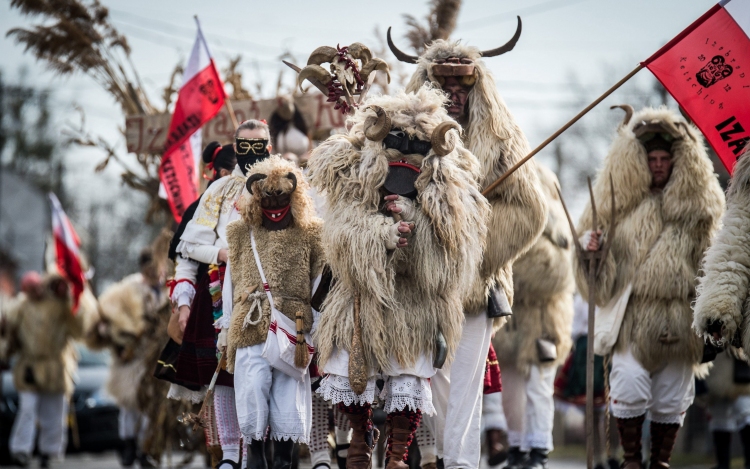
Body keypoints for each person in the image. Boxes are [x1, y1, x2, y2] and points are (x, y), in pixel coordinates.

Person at [308, 86, 490, 469]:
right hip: (360, 300)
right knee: (349, 368)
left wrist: (415, 223)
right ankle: (359, 440)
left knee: (408, 372)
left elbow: (453, 256)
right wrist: (383, 235)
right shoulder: (357, 177)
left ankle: (397, 455)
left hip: (416, 303)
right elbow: (342, 232)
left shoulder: (450, 189)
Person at [393, 23, 547, 469]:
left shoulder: (502, 138)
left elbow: (528, 210)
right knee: (419, 387)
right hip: (414, 284)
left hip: (476, 287)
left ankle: (458, 465)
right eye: (444, 82)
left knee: (461, 389)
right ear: (427, 83)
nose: (454, 92)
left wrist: (468, 255)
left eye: (463, 82)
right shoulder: (402, 132)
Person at [578, 106, 724, 469]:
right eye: (651, 157)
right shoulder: (617, 208)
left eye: (664, 158)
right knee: (627, 384)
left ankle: (659, 461)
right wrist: (593, 254)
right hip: (633, 318)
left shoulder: (702, 212)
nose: (658, 164)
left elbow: (715, 261)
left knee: (672, 399)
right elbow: (600, 282)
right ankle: (631, 460)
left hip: (682, 321)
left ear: (678, 160)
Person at [171, 121, 272, 469]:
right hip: (225, 291)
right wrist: (220, 253)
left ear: (270, 148)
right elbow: (188, 245)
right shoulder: (220, 191)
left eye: (259, 146)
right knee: (227, 372)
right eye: (244, 146)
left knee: (269, 373)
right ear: (235, 146)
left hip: (273, 294)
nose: (252, 153)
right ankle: (230, 454)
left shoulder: (289, 181)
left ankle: (259, 451)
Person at [220, 155, 324, 469]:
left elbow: (319, 283)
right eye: (267, 196)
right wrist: (226, 327)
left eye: (282, 196)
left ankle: (283, 459)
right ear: (256, 198)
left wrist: (316, 327)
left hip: (295, 327)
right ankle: (254, 454)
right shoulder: (239, 234)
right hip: (250, 324)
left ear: (295, 196)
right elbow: (230, 282)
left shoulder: (311, 234)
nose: (275, 203)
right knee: (251, 391)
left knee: (288, 400)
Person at [489, 164, 574, 469]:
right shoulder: (507, 223)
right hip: (511, 323)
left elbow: (555, 276)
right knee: (510, 391)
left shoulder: (559, 231)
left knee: (539, 388)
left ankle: (539, 449)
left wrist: (514, 269)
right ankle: (517, 447)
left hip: (544, 323)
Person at [693, 146, 750, 469]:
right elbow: (733, 250)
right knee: (729, 406)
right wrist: (720, 307)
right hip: (737, 329)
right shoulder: (747, 182)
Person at [88, 247, 168, 467]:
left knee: (150, 407)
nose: (154, 271)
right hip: (132, 356)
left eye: (157, 267)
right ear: (143, 268)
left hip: (155, 357)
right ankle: (128, 444)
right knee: (130, 403)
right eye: (149, 267)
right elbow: (109, 317)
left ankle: (145, 449)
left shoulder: (167, 289)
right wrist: (121, 342)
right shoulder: (127, 289)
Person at [6, 272, 85, 468]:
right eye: (32, 290)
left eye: (38, 287)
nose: (37, 292)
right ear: (26, 292)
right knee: (27, 409)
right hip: (29, 366)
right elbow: (9, 334)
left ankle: (48, 451)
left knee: (55, 411)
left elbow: (77, 327)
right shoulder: (20, 308)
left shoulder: (58, 304)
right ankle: (21, 450)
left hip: (55, 366)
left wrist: (67, 296)